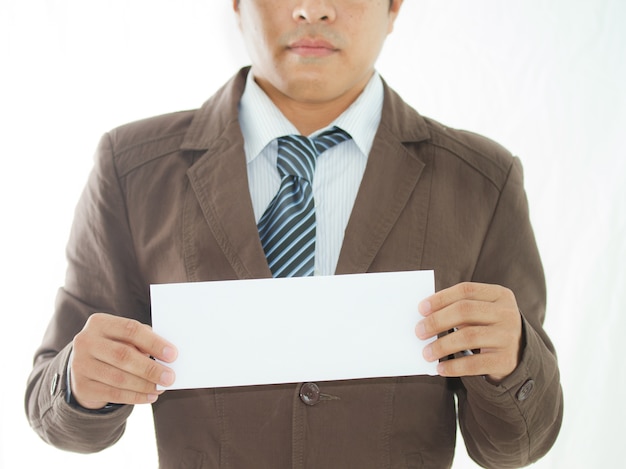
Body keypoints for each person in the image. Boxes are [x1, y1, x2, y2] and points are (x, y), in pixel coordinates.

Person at [25, 1, 563, 468]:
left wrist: (514, 360)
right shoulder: (132, 167)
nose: (313, 9)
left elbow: (515, 447)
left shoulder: (481, 181)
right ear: (236, 3)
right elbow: (53, 413)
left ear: (395, 5)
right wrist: (79, 380)